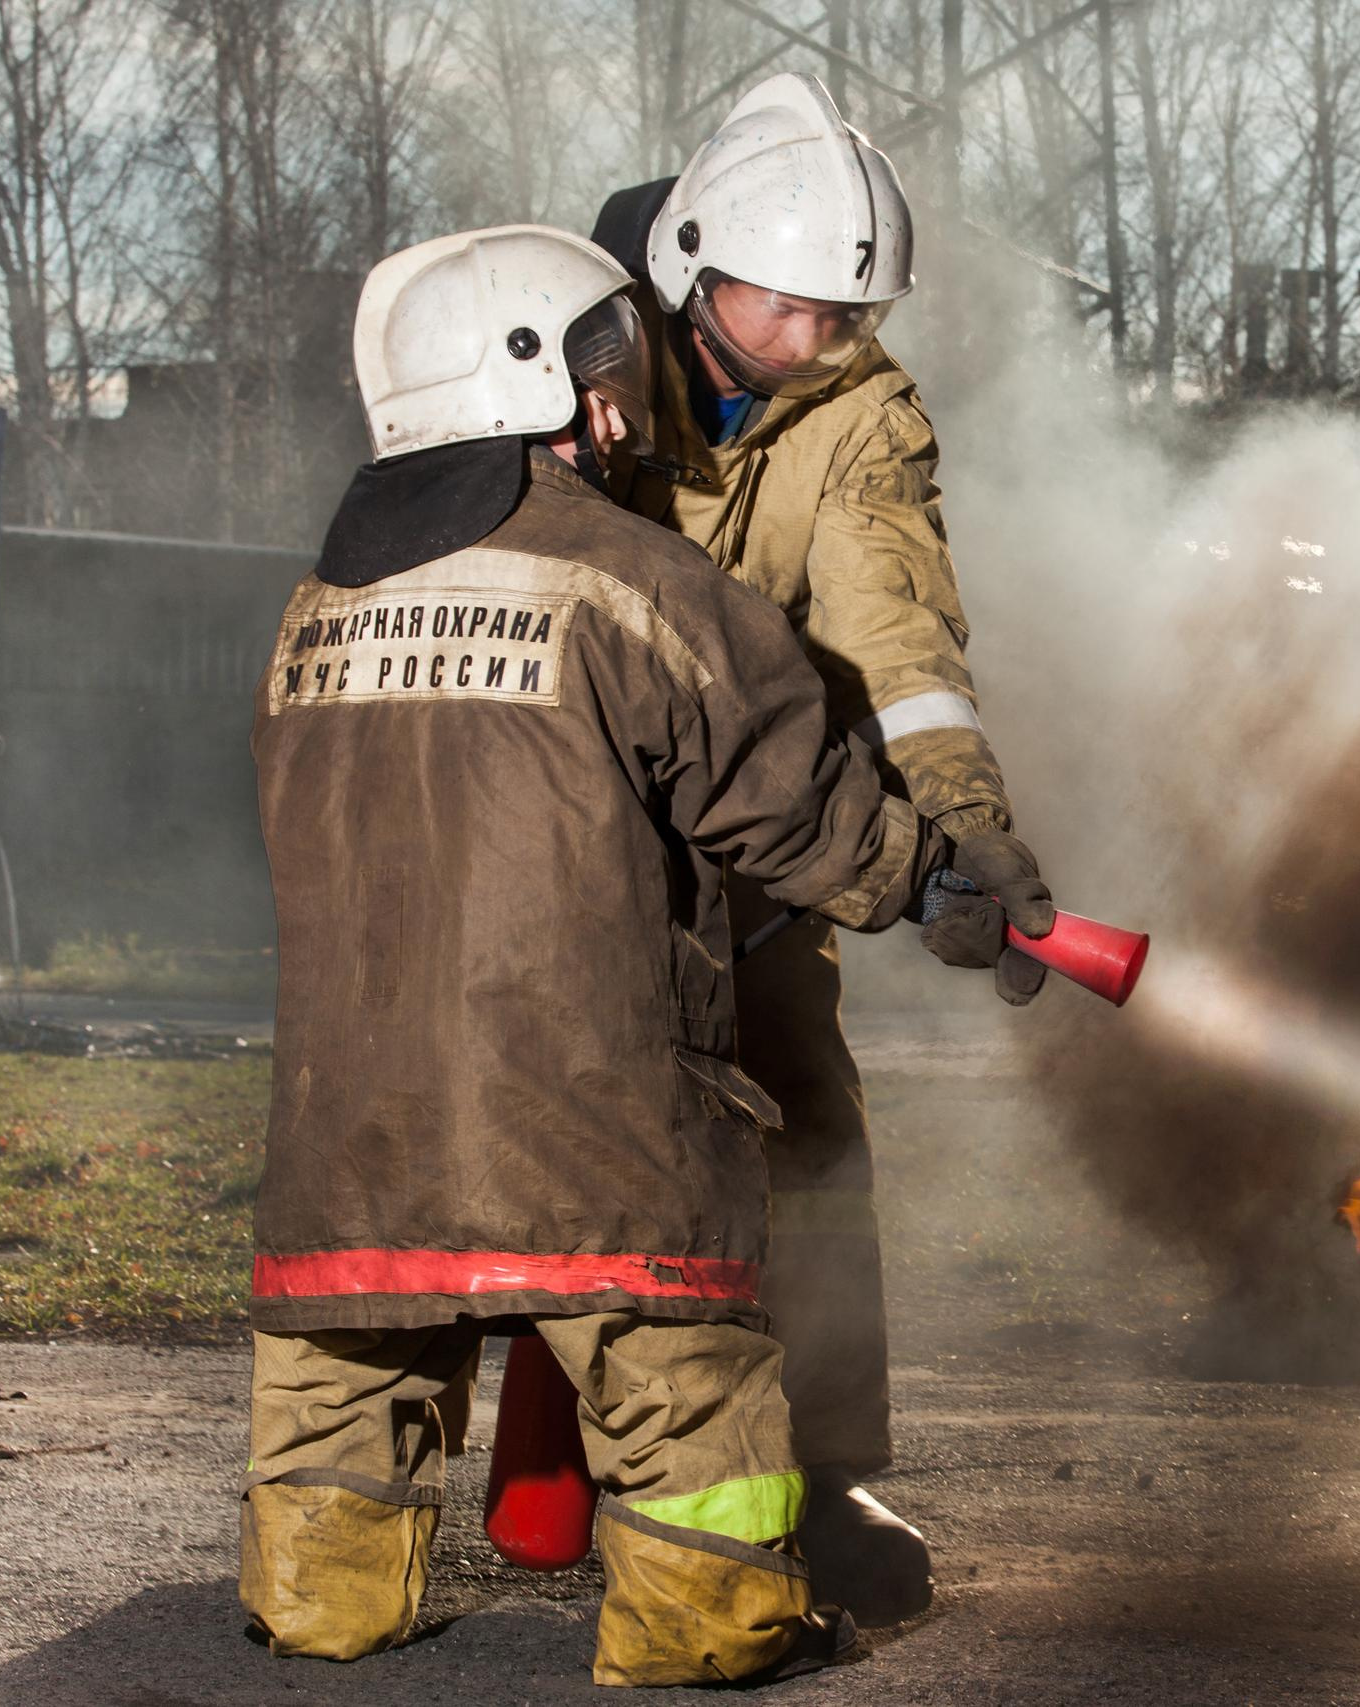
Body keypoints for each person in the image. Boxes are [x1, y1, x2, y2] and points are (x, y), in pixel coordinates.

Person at [240, 224, 1022, 1686]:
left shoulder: (313, 612)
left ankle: (318, 1605)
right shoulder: (636, 583)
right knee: (685, 1386)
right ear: (544, 385)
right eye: (610, 383)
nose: (629, 413)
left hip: (345, 1123)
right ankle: (708, 1626)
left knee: (341, 1382)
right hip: (590, 1117)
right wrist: (931, 879)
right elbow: (784, 794)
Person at [591, 70, 1049, 1623]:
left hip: (757, 841)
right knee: (534, 1150)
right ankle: (493, 1468)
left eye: (844, 319)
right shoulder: (558, 350)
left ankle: (828, 1467)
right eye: (786, 311)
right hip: (562, 828)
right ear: (691, 262)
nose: (812, 346)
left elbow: (894, 640)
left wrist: (965, 822)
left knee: (809, 1138)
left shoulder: (857, 408)